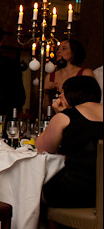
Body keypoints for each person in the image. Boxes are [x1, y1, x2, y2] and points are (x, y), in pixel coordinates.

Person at [36, 76, 103, 208]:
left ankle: (51, 228)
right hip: (99, 192)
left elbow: (42, 147)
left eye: (64, 91)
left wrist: (58, 115)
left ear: (73, 93)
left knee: (35, 192)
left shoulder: (65, 117)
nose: (60, 95)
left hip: (78, 190)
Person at [44, 39, 88, 108]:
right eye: (58, 48)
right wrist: (46, 93)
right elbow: (45, 108)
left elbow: (89, 103)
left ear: (73, 53)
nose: (58, 51)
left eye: (64, 48)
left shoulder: (85, 73)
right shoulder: (50, 76)